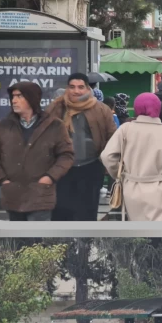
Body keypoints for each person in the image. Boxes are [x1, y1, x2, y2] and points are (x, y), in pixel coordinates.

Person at [0, 81, 75, 221]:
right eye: (13, 96)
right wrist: (2, 180)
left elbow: (66, 155)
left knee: (36, 240)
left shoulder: (54, 125)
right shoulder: (4, 125)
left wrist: (49, 177)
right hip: (13, 196)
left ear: (32, 98)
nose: (14, 100)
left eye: (19, 96)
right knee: (17, 240)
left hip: (40, 196)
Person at [99, 92, 162, 222]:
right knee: (158, 233)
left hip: (132, 185)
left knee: (136, 232)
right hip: (160, 187)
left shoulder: (126, 129)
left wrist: (120, 173)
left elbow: (107, 156)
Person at [43, 73, 117, 222]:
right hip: (61, 169)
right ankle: (63, 244)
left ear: (87, 88)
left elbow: (112, 137)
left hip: (90, 167)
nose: (76, 91)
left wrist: (106, 164)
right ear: (67, 88)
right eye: (72, 87)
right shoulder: (55, 108)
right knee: (61, 212)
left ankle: (85, 244)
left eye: (80, 87)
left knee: (87, 213)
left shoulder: (101, 109)